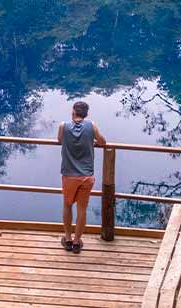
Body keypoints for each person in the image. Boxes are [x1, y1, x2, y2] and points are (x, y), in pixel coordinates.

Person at [58, 100, 106, 254]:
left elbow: (59, 140)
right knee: (82, 209)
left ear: (73, 112)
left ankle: (68, 239)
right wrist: (90, 141)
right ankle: (77, 242)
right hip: (87, 176)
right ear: (85, 114)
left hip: (69, 175)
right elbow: (103, 142)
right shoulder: (91, 125)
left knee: (67, 205)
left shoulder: (63, 126)